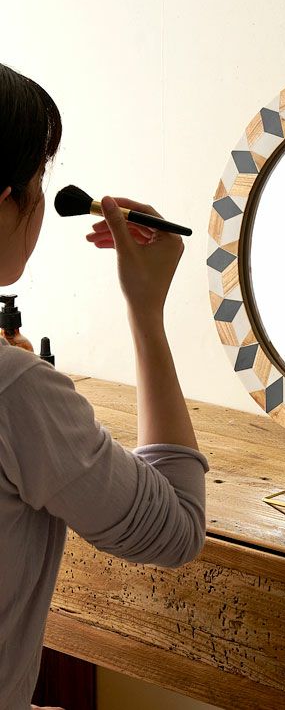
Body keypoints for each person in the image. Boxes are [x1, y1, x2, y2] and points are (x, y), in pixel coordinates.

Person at [0, 63, 209, 710]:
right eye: (39, 185)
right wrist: (147, 312)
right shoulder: (17, 393)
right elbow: (177, 527)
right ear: (4, 202)